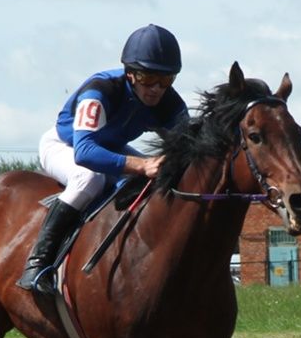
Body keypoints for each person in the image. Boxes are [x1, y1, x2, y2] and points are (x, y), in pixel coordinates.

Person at [17, 24, 190, 294]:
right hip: (66, 145)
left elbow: (187, 150)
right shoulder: (101, 90)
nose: (156, 88)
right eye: (148, 78)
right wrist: (142, 165)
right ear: (130, 73)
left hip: (112, 147)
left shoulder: (170, 103)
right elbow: (85, 152)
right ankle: (37, 265)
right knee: (89, 178)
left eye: (166, 80)